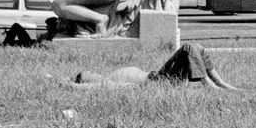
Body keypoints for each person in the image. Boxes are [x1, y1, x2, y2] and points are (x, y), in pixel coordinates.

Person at [70, 42, 240, 90]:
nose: (92, 72)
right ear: (87, 80)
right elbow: (85, 88)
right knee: (188, 48)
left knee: (198, 48)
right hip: (159, 81)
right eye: (88, 74)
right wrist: (68, 83)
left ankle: (221, 83)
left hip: (159, 76)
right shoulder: (107, 83)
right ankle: (209, 85)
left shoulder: (111, 75)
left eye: (90, 71)